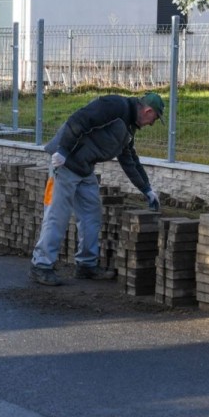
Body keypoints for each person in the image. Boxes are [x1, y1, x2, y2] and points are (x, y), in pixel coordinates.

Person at [30, 92, 164, 286]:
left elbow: (129, 159)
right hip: (65, 163)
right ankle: (41, 265)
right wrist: (63, 150)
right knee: (57, 215)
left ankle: (86, 265)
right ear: (148, 111)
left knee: (91, 216)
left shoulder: (129, 127)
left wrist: (146, 189)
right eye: (155, 119)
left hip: (85, 169)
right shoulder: (115, 106)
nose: (152, 124)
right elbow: (79, 120)